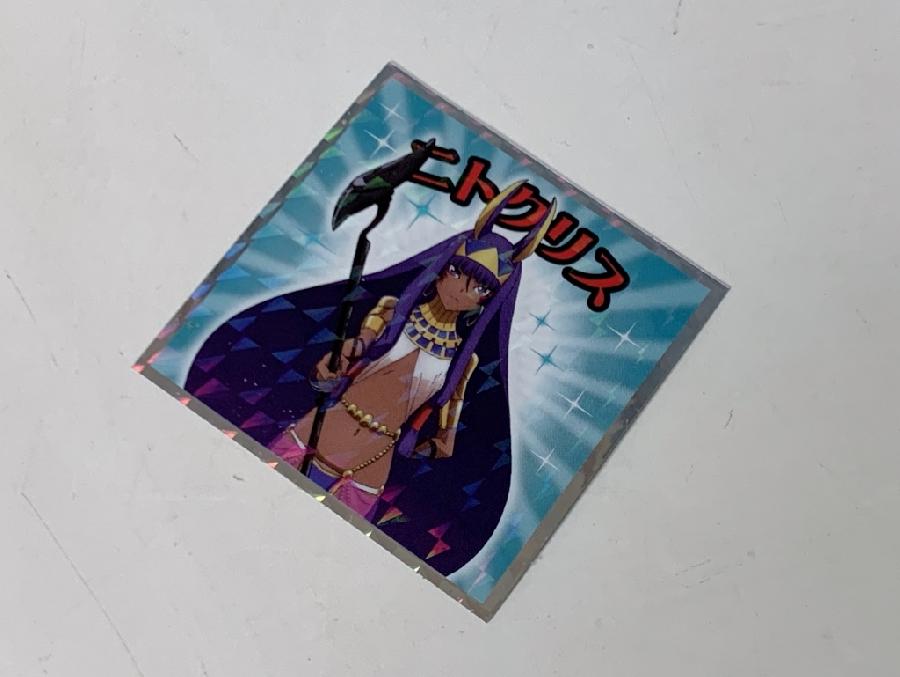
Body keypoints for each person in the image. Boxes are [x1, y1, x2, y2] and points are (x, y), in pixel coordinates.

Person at [185, 181, 555, 572]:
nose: (462, 290)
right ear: (442, 267)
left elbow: (444, 443)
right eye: (457, 272)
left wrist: (417, 442)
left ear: (487, 301)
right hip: (311, 441)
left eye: (479, 287)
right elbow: (345, 356)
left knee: (319, 564)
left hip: (367, 475)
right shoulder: (391, 312)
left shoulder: (463, 362)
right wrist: (332, 368)